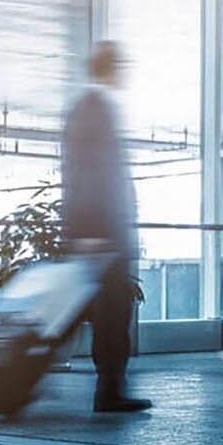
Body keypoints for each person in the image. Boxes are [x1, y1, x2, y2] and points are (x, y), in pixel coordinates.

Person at [62, 41, 149, 413]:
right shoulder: (96, 109)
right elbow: (94, 174)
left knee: (100, 310)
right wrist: (98, 230)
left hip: (95, 228)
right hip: (102, 230)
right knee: (114, 312)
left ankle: (108, 387)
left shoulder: (85, 108)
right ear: (111, 68)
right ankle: (109, 390)